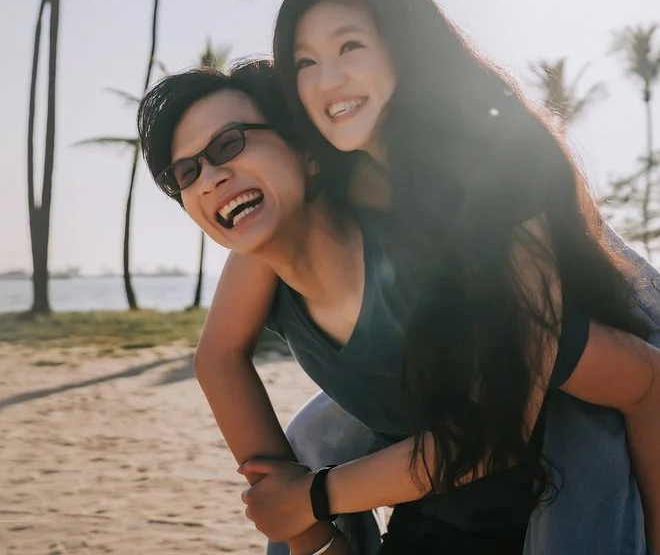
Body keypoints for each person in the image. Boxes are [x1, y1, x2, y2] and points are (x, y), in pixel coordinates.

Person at [143, 52, 660, 552]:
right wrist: (317, 540)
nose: (209, 178)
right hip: (440, 490)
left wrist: (314, 498)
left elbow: (641, 381)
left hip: (558, 449)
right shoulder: (263, 255)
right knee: (308, 443)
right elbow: (218, 361)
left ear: (306, 151)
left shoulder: (442, 271)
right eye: (184, 174)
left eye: (230, 144)